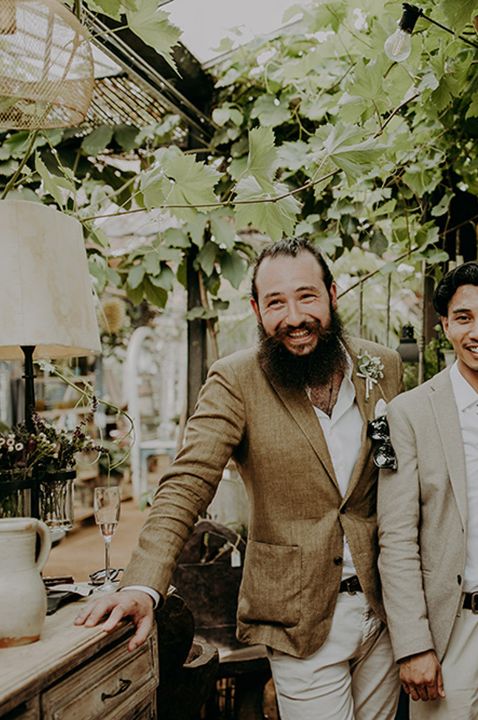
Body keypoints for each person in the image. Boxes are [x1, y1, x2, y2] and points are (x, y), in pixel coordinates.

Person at [76, 237, 402, 719]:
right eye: (276, 302)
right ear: (256, 309)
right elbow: (187, 482)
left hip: (383, 612)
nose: (293, 316)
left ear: (333, 294)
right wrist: (143, 585)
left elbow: (399, 475)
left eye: (307, 296)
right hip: (297, 617)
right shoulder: (235, 380)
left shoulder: (384, 367)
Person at [378, 261, 478, 718]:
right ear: (445, 326)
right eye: (464, 317)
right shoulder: (408, 413)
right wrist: (414, 645)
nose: (477, 331)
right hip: (453, 627)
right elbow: (396, 538)